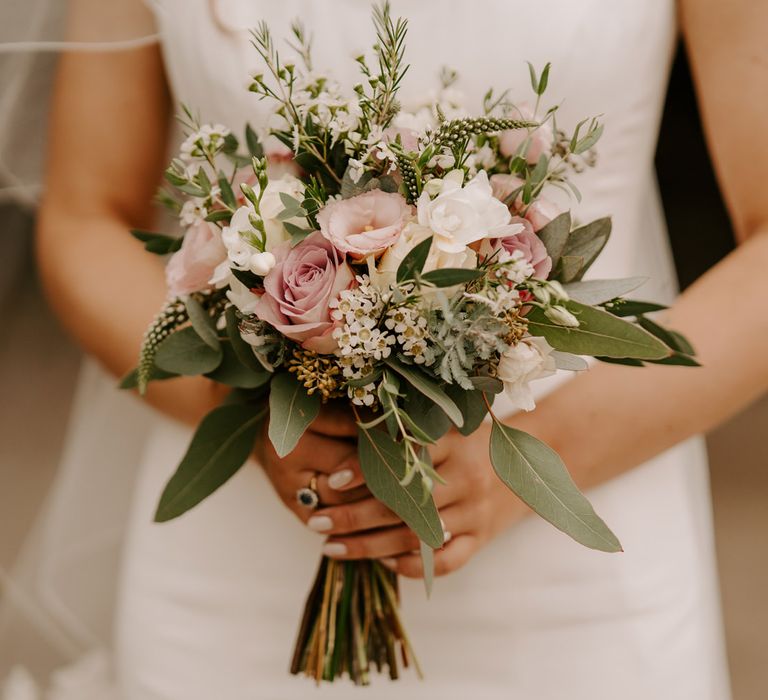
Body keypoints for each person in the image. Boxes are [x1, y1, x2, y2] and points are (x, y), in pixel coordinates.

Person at [30, 0, 768, 697]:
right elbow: (83, 214)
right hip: (231, 585)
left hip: (577, 582)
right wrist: (245, 417)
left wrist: (531, 463)